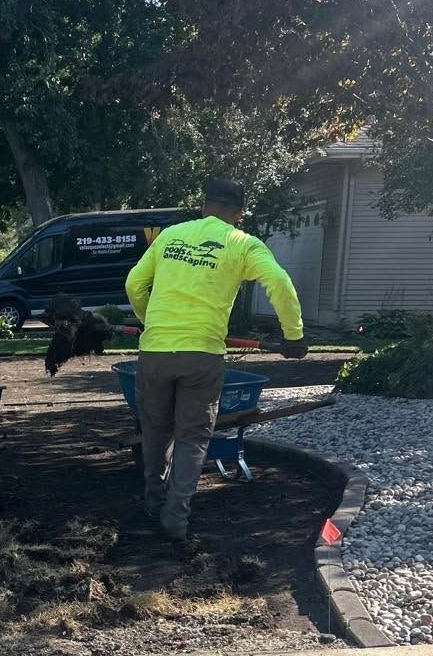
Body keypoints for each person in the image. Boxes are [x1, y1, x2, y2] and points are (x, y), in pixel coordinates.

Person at [125, 178, 307, 545]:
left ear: (203, 206)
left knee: (156, 432)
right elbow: (280, 282)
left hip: (155, 351)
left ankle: (152, 501)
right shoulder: (242, 244)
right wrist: (294, 336)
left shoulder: (170, 236)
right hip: (202, 354)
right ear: (240, 215)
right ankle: (175, 520)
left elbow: (133, 284)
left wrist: (151, 323)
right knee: (192, 438)